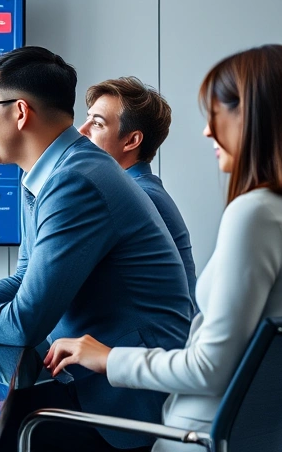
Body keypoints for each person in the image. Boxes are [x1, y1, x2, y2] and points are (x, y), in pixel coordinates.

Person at [0, 46, 192, 451]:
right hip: (81, 379)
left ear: (20, 112)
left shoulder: (76, 181)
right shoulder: (48, 175)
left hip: (121, 409)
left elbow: (24, 322)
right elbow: (21, 281)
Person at [46, 44, 282, 451]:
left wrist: (105, 357)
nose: (207, 131)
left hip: (194, 434)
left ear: (256, 117)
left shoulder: (255, 214)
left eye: (218, 114)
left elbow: (209, 368)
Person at [79, 77, 197, 311]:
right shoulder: (142, 190)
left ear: (131, 140)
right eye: (87, 119)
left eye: (98, 123)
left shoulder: (139, 197)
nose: (81, 131)